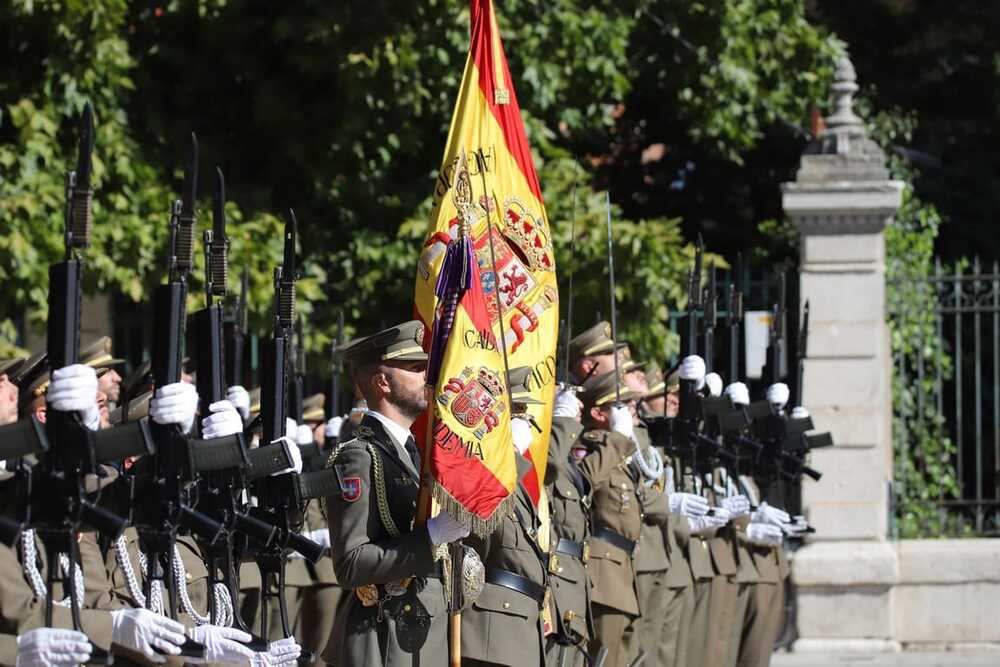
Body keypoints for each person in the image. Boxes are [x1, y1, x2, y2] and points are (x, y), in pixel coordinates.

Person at [322, 320, 468, 666]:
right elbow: (351, 563)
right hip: (382, 639)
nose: (426, 378)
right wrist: (430, 537)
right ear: (382, 382)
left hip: (422, 633)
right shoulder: (359, 455)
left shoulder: (415, 451)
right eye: (415, 368)